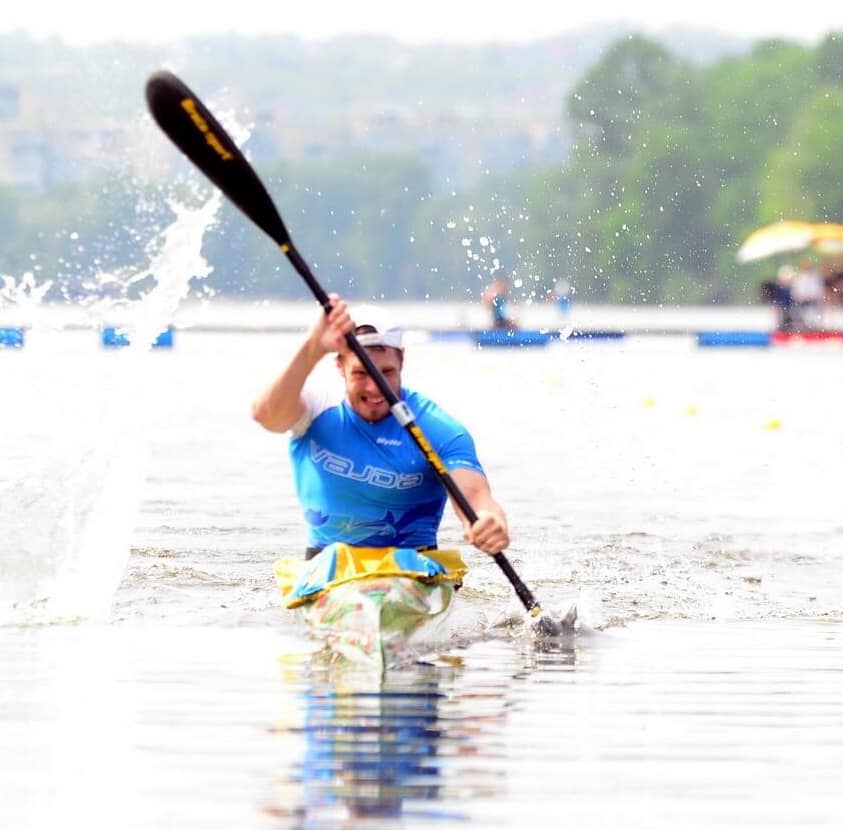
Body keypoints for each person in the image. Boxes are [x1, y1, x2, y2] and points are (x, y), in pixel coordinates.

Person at [251, 295, 510, 560]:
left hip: (414, 570)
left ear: (402, 363)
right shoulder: (316, 409)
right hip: (328, 568)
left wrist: (490, 521)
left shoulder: (437, 429)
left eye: (386, 373)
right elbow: (266, 416)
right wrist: (313, 348)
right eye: (361, 374)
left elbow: (477, 500)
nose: (375, 389)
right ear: (339, 366)